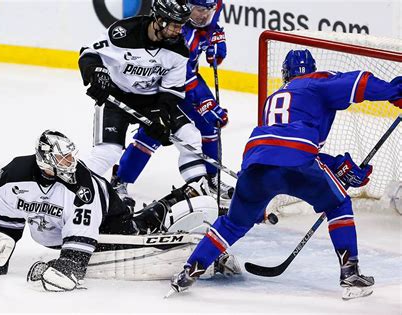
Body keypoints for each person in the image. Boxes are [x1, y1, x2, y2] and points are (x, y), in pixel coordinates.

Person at [168, 50, 402, 299]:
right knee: (338, 203)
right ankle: (350, 275)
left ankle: (187, 273)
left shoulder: (273, 98)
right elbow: (359, 82)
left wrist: (338, 167)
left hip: (255, 165)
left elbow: (280, 148)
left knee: (233, 223)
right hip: (297, 161)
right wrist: (392, 92)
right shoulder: (316, 82)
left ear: (285, 74)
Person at [0, 130, 241, 292]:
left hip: (109, 218)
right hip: (58, 229)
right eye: (62, 158)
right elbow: (8, 220)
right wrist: (3, 244)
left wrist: (65, 267)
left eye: (71, 156)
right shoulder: (10, 178)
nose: (70, 163)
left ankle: (179, 197)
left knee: (137, 230)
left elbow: (75, 257)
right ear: (45, 159)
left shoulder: (82, 187)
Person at [78, 0, 209, 197]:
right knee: (108, 152)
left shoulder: (179, 50)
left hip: (153, 101)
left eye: (181, 25)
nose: (179, 31)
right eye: (174, 25)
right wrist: (97, 74)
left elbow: (171, 91)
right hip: (118, 97)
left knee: (190, 136)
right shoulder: (124, 32)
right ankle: (71, 189)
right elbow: (89, 54)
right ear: (159, 20)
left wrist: (160, 115)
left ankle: (197, 189)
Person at [111, 0, 235, 209]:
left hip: (191, 80)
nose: (205, 15)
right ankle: (120, 180)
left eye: (208, 10)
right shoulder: (177, 31)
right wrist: (204, 103)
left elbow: (214, 18)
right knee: (152, 132)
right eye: (199, 10)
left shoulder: (209, 11)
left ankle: (212, 179)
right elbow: (180, 78)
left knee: (209, 125)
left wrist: (216, 39)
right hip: (163, 88)